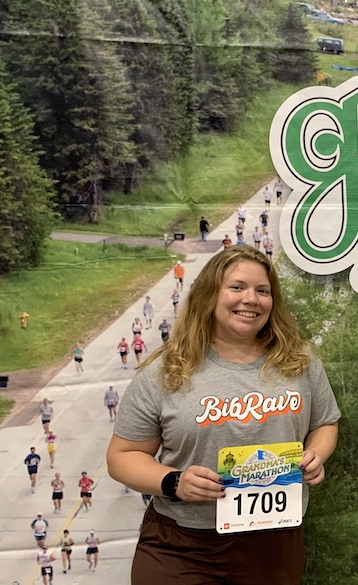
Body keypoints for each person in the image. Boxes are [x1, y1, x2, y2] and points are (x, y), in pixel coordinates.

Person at [107, 246, 341, 584]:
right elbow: (122, 457)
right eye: (236, 287)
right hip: (183, 547)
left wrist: (316, 455)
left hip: (274, 546)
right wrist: (174, 482)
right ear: (209, 295)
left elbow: (324, 423)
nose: (251, 299)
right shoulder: (165, 371)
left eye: (263, 291)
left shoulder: (299, 362)